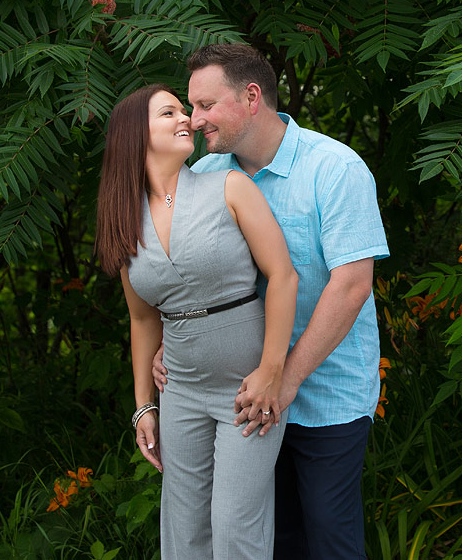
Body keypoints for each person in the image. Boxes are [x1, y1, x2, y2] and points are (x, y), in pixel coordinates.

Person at [153, 43, 390, 559]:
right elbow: (192, 280)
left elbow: (351, 286)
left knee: (329, 537)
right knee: (266, 540)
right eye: (191, 107)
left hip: (325, 393)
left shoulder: (335, 168)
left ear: (251, 97)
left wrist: (286, 377)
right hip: (238, 397)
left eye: (205, 105)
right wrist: (177, 340)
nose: (194, 121)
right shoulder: (208, 179)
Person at [95, 83, 298, 560]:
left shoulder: (228, 187)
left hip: (247, 389)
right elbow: (143, 320)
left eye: (184, 110)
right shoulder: (124, 220)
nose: (186, 117)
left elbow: (282, 276)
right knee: (183, 535)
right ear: (134, 136)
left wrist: (271, 371)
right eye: (169, 113)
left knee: (233, 532)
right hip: (181, 391)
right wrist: (145, 406)